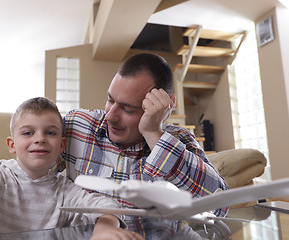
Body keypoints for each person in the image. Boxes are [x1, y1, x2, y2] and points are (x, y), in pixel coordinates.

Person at [54, 53, 229, 234]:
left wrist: (154, 134)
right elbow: (30, 177)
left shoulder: (180, 140)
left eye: (128, 109)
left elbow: (219, 208)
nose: (111, 116)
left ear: (165, 107)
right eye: (110, 100)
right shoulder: (77, 125)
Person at [0, 97, 144, 240]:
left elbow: (107, 206)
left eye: (50, 133)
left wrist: (104, 231)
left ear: (61, 146)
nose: (40, 139)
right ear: (12, 144)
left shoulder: (65, 190)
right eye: (28, 133)